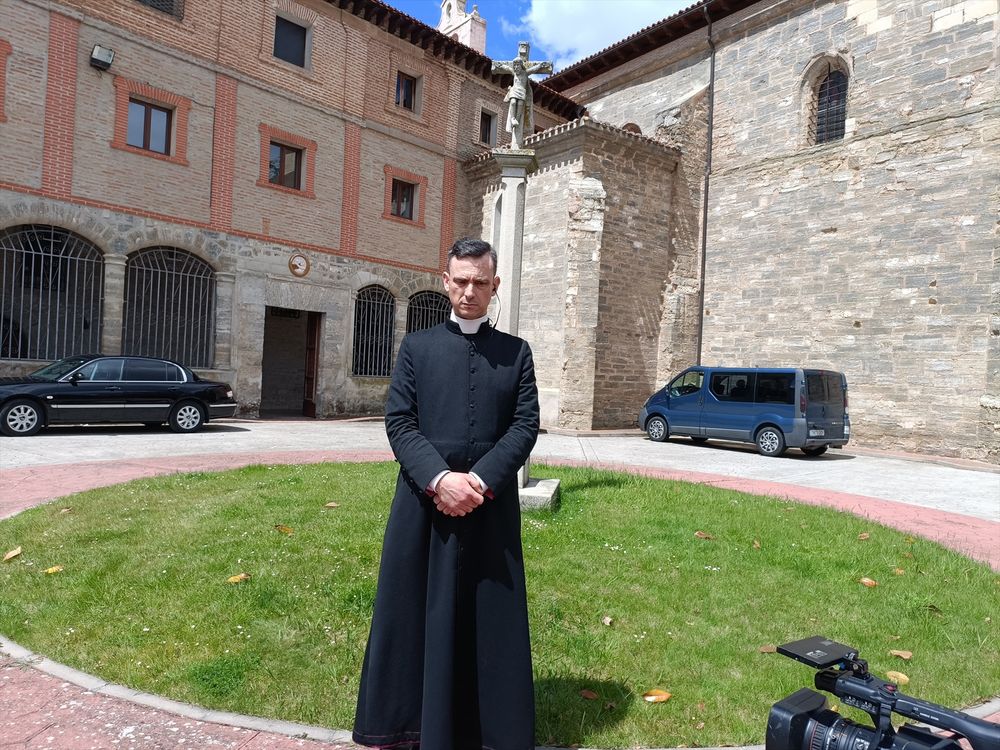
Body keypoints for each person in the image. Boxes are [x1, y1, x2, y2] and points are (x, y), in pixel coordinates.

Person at [353, 238, 540, 750]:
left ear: (495, 285)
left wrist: (478, 483)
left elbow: (525, 426)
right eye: (460, 280)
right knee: (417, 612)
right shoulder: (417, 348)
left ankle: (488, 729)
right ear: (445, 281)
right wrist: (441, 479)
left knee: (487, 618)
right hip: (424, 504)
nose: (469, 292)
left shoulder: (516, 353)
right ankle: (410, 725)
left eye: (480, 282)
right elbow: (399, 422)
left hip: (489, 508)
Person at [491, 42, 553, 149]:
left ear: (521, 66)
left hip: (522, 92)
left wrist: (541, 66)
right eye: (515, 65)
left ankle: (517, 118)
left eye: (518, 65)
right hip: (515, 90)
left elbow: (533, 69)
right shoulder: (514, 73)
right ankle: (513, 118)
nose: (516, 67)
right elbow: (506, 68)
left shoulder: (525, 73)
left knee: (520, 104)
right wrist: (497, 65)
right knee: (514, 102)